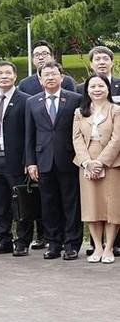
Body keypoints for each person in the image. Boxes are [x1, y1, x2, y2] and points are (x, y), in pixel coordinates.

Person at [25, 60, 82, 260]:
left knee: (71, 203)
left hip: (69, 158)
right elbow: (29, 135)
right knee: (48, 204)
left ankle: (72, 244)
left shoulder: (75, 99)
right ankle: (53, 243)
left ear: (62, 77)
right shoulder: (32, 102)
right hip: (43, 160)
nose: (50, 77)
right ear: (40, 80)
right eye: (45, 75)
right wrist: (30, 162)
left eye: (53, 74)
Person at [0, 61, 32, 256]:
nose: (4, 76)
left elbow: (30, 134)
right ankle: (3, 239)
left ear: (15, 77)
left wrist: (28, 160)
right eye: (0, 73)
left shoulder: (26, 100)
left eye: (8, 73)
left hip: (16, 161)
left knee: (21, 203)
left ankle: (22, 241)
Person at [72, 74, 120, 263]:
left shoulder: (116, 110)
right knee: (92, 206)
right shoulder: (79, 112)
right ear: (87, 90)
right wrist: (87, 162)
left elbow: (117, 139)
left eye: (101, 86)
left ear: (108, 89)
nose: (97, 89)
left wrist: (101, 162)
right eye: (92, 86)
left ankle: (109, 248)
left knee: (111, 207)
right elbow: (77, 139)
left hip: (111, 162)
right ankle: (97, 248)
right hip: (87, 163)